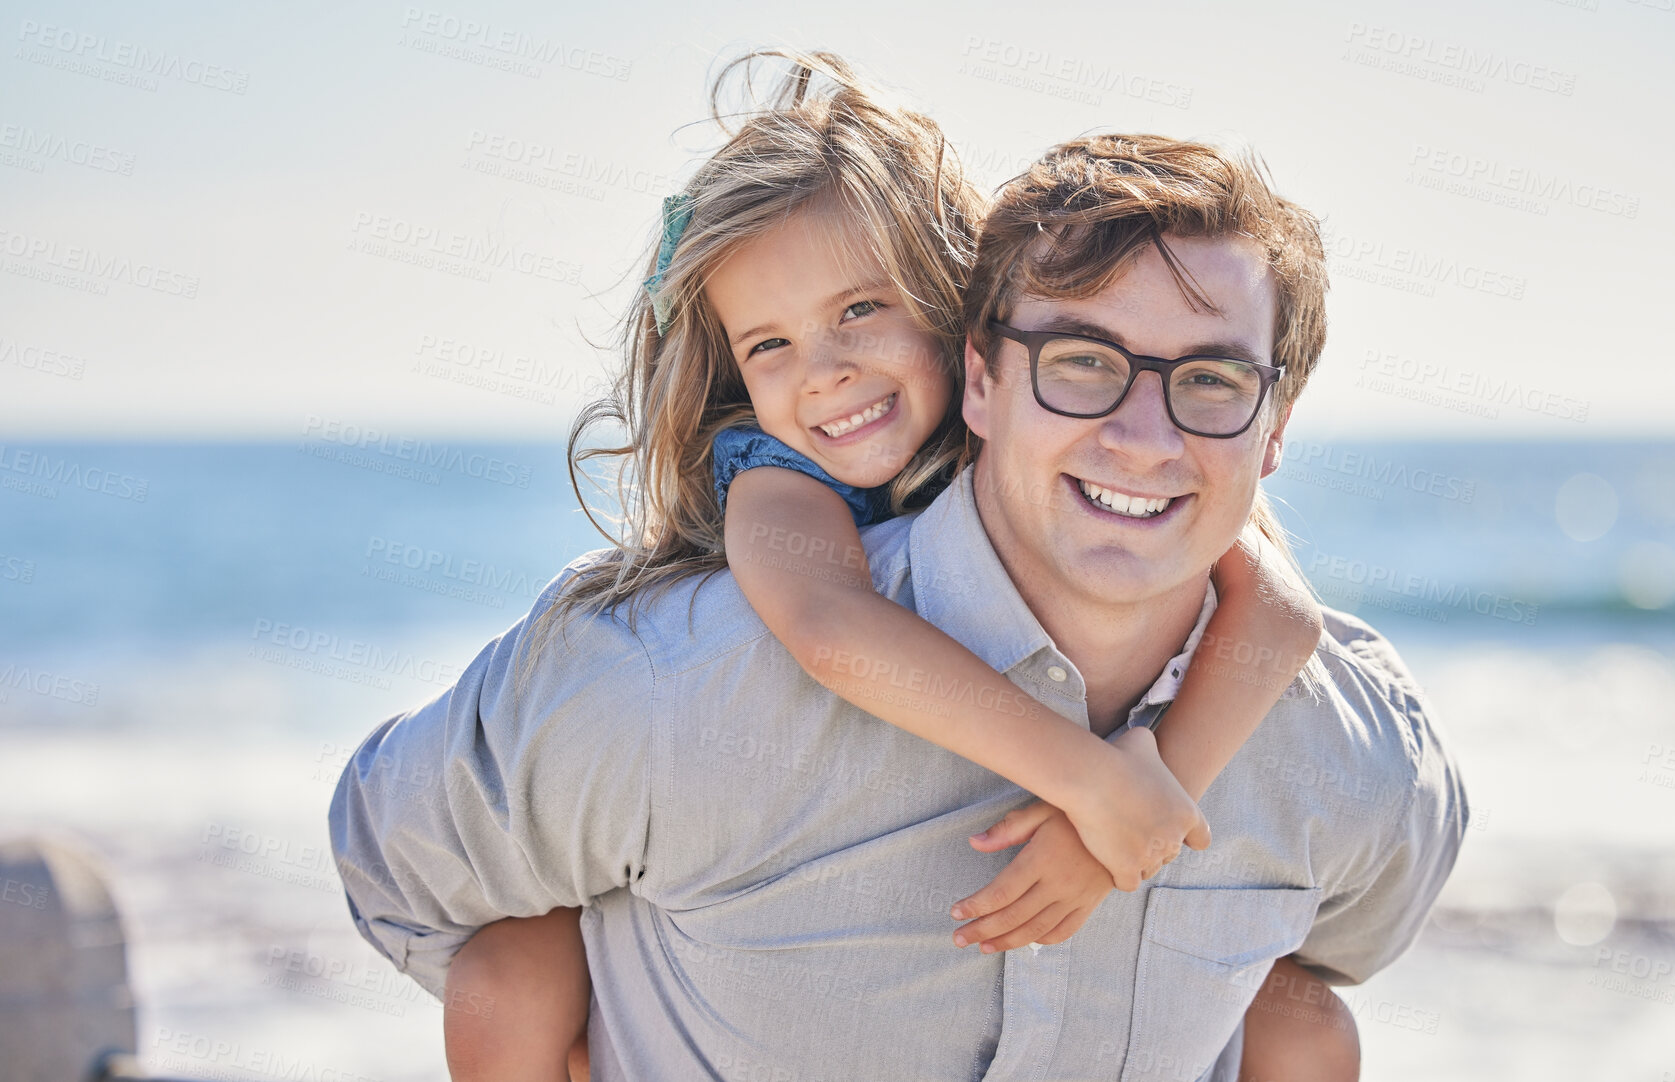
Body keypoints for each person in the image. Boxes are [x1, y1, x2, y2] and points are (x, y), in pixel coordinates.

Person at [331, 53, 1468, 1082]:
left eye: (861, 311)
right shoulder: (760, 523)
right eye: (769, 345)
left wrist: (1131, 806)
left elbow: (1277, 614)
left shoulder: (1318, 711)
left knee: (1303, 1018)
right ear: (988, 370)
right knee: (513, 963)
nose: (823, 373)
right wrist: (1084, 776)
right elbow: (829, 631)